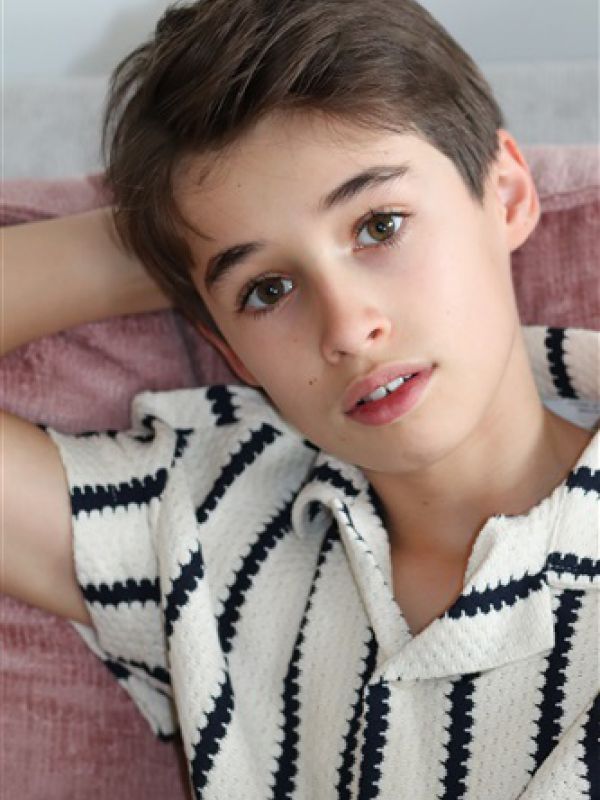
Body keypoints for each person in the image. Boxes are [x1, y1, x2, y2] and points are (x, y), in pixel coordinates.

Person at [2, 1, 598, 798]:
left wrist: (229, 251)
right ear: (227, 347)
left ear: (510, 197)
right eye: (268, 289)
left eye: (380, 227)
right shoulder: (201, 526)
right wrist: (164, 248)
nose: (347, 329)